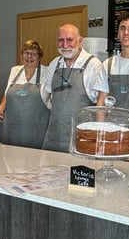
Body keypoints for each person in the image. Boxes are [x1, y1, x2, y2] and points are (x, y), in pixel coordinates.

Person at [41, 24, 107, 153]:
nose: (65, 45)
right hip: (54, 137)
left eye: (69, 40)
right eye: (60, 40)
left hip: (82, 138)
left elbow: (100, 104)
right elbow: (47, 95)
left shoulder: (93, 65)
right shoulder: (54, 63)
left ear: (80, 41)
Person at [0, 40, 50, 148]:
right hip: (13, 125)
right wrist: (1, 107)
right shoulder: (15, 70)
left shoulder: (47, 72)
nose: (29, 56)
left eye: (34, 54)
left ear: (39, 57)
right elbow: (7, 92)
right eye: (26, 53)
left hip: (36, 126)